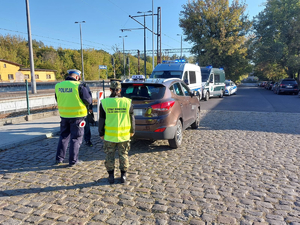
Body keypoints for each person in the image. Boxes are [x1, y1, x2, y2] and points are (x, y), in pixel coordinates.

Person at [98, 81, 135, 184]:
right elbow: (132, 118)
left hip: (109, 136)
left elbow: (101, 120)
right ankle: (123, 176)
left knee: (109, 156)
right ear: (120, 90)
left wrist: (101, 133)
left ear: (110, 89)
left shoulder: (104, 103)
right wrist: (132, 131)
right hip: (124, 135)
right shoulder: (127, 102)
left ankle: (111, 177)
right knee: (124, 155)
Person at [55, 69, 92, 167]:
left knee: (63, 137)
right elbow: (88, 100)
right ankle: (73, 161)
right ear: (77, 77)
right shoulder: (79, 86)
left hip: (64, 115)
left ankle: (59, 159)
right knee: (76, 138)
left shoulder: (58, 85)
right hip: (78, 116)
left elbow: (57, 98)